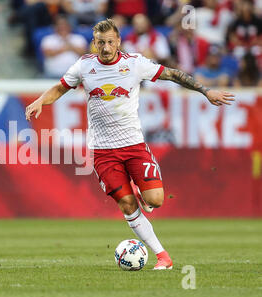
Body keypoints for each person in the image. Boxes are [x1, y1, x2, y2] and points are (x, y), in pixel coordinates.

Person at [25, 19, 234, 270]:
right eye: (100, 42)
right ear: (94, 43)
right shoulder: (84, 65)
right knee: (127, 205)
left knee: (155, 200)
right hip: (103, 152)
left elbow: (172, 74)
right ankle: (162, 256)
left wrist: (205, 91)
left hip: (134, 146)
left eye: (110, 42)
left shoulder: (134, 63)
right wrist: (40, 100)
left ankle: (142, 194)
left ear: (118, 42)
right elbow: (60, 88)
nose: (105, 47)